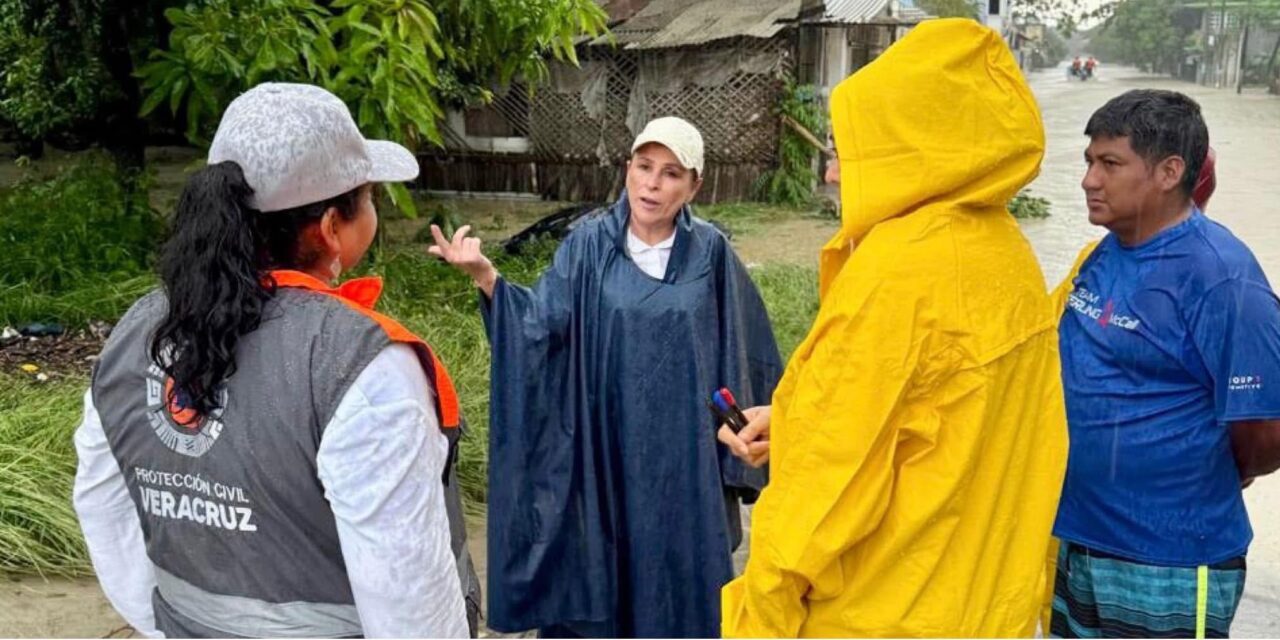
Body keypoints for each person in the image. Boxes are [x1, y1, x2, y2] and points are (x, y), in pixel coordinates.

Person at [73, 83, 477, 638]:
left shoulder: (136, 334)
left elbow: (101, 507)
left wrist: (166, 626)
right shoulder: (359, 365)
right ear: (332, 226)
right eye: (370, 197)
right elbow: (408, 598)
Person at [718, 19, 1068, 637]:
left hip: (881, 614)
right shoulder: (1007, 253)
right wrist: (797, 419)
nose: (832, 173)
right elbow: (935, 427)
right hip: (983, 610)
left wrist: (760, 619)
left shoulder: (897, 277)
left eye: (849, 152)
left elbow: (818, 500)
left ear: (915, 151)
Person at [430, 116, 783, 638]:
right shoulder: (589, 245)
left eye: (670, 174)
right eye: (644, 167)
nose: (652, 184)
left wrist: (744, 433)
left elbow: (744, 351)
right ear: (628, 169)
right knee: (601, 575)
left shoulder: (712, 255)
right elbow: (540, 325)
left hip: (682, 464)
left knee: (678, 585)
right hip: (602, 449)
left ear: (694, 186)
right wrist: (487, 277)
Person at [1049, 89, 1280, 639]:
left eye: (1110, 163)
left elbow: (1267, 433)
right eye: (1088, 161)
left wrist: (1200, 474)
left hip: (1169, 561)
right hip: (1081, 540)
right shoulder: (1106, 253)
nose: (1089, 179)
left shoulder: (1222, 278)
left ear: (1169, 171)